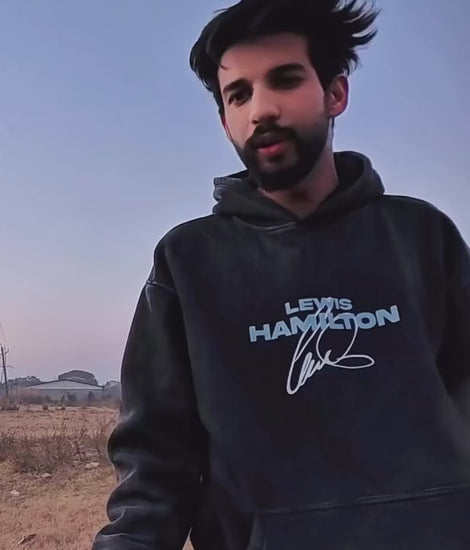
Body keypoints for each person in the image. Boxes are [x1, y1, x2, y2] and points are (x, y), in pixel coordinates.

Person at [93, 1, 470, 548]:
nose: (261, 110)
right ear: (224, 120)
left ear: (335, 93)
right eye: (238, 95)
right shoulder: (188, 261)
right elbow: (156, 459)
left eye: (285, 80)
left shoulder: (421, 237)